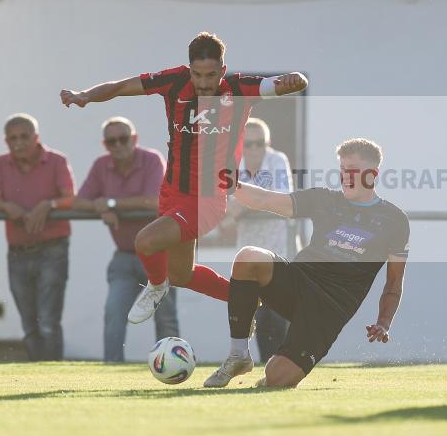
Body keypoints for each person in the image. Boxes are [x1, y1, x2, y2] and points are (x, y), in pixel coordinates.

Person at [59, 33, 308, 327]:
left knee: (146, 241)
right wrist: (86, 95)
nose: (204, 83)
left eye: (211, 75)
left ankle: (155, 287)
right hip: (172, 192)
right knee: (181, 274)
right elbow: (122, 86)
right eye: (198, 75)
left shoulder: (240, 89)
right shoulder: (175, 82)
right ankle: (245, 298)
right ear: (189, 70)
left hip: (207, 200)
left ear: (222, 70)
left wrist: (297, 79)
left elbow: (289, 83)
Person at [205, 138, 409, 389]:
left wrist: (384, 322)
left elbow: (394, 281)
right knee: (249, 256)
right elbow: (266, 200)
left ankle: (273, 370)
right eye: (343, 170)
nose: (346, 176)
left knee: (277, 378)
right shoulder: (324, 198)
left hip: (330, 309)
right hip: (298, 282)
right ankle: (238, 355)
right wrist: (231, 185)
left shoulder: (395, 220)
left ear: (373, 174)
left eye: (353, 170)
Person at [73, 116, 180, 362]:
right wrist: (101, 208)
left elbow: (154, 201)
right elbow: (79, 202)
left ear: (134, 139)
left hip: (158, 254)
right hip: (124, 255)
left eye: (123, 139)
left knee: (166, 317)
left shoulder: (152, 159)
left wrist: (110, 203)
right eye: (112, 141)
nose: (118, 144)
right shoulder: (102, 165)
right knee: (113, 313)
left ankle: (174, 367)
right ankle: (111, 369)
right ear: (106, 144)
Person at [0, 114, 75, 361]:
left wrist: (49, 204)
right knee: (29, 324)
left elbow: (70, 198)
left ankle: (53, 375)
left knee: (47, 321)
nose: (19, 142)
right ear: (6, 141)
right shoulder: (0, 163)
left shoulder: (57, 161)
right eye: (13, 138)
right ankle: (37, 373)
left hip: (53, 249)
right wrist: (6, 207)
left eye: (24, 136)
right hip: (17, 251)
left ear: (36, 137)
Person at [223, 118, 295, 362]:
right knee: (258, 313)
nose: (254, 149)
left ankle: (282, 365)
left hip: (279, 249)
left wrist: (245, 203)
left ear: (268, 144)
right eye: (249, 143)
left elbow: (283, 202)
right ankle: (268, 366)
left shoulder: (278, 160)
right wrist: (262, 201)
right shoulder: (231, 164)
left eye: (259, 143)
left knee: (279, 312)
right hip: (247, 249)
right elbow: (229, 210)